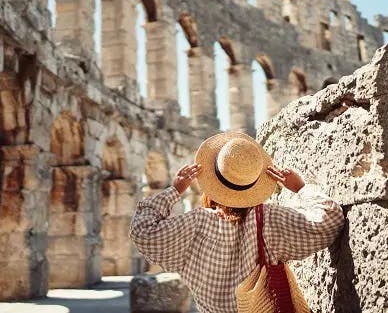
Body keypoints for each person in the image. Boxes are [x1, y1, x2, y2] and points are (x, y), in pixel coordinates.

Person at [129, 131, 345, 313]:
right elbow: (329, 221)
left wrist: (175, 190)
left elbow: (142, 231)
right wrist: (301, 188)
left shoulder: (195, 223)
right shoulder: (271, 219)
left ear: (213, 179)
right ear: (255, 181)